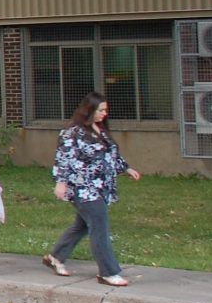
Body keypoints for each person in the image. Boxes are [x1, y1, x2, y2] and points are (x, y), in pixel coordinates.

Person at [45, 92, 141, 286]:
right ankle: (108, 272)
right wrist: (61, 182)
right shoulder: (72, 133)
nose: (104, 114)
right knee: (99, 225)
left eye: (106, 110)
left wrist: (127, 168)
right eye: (100, 110)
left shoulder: (101, 131)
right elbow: (64, 158)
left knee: (82, 226)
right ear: (89, 110)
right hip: (82, 187)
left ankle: (55, 256)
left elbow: (110, 155)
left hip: (101, 187)